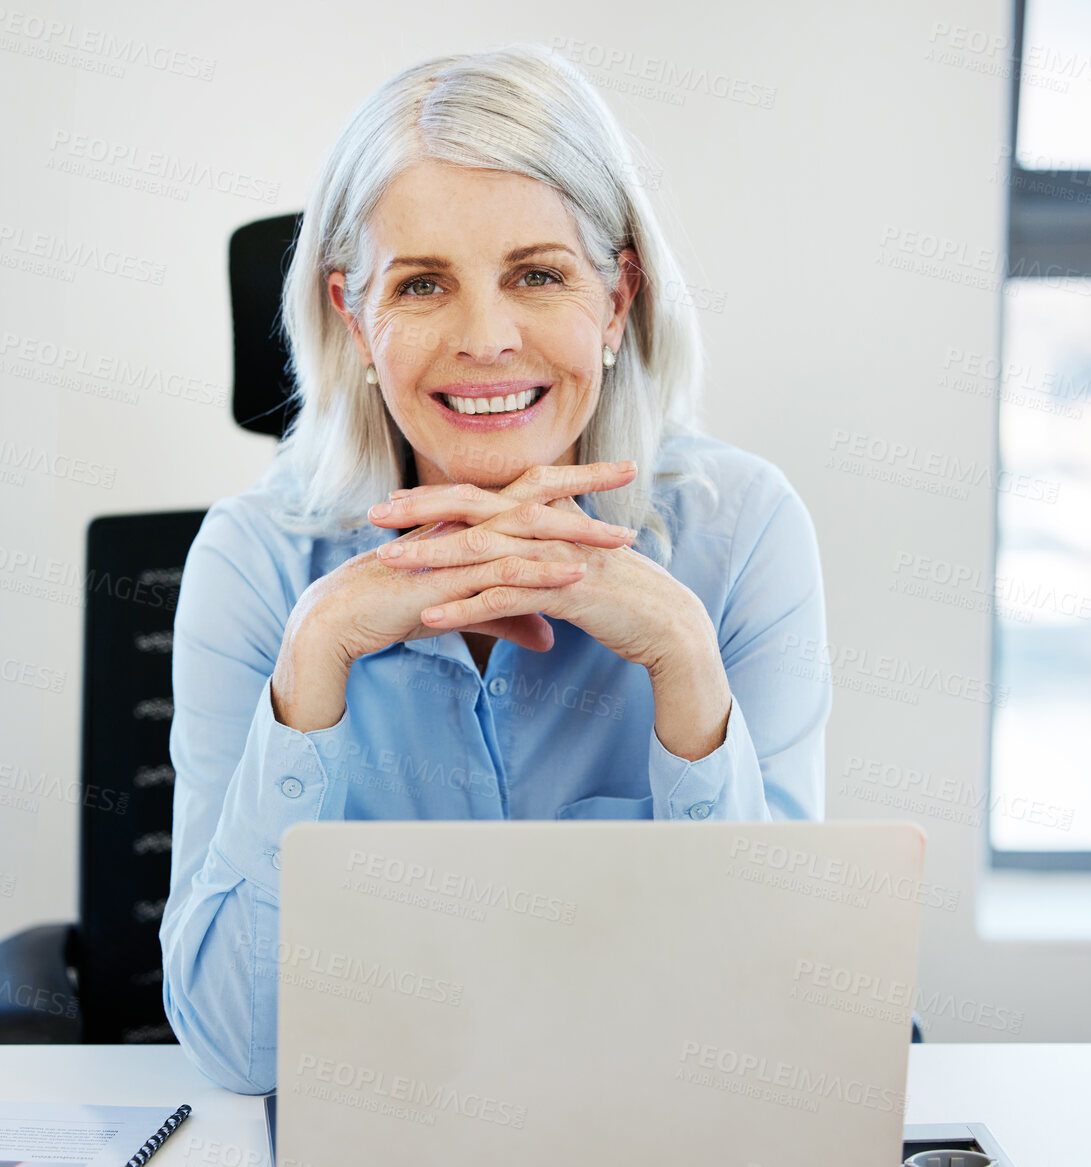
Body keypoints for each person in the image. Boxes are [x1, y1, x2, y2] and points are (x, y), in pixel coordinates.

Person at [159, 43, 831, 1095]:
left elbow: (764, 1035)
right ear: (353, 317)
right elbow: (240, 1052)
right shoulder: (254, 562)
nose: (485, 338)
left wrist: (685, 667)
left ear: (616, 304)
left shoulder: (739, 532)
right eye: (421, 284)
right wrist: (314, 659)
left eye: (538, 275)